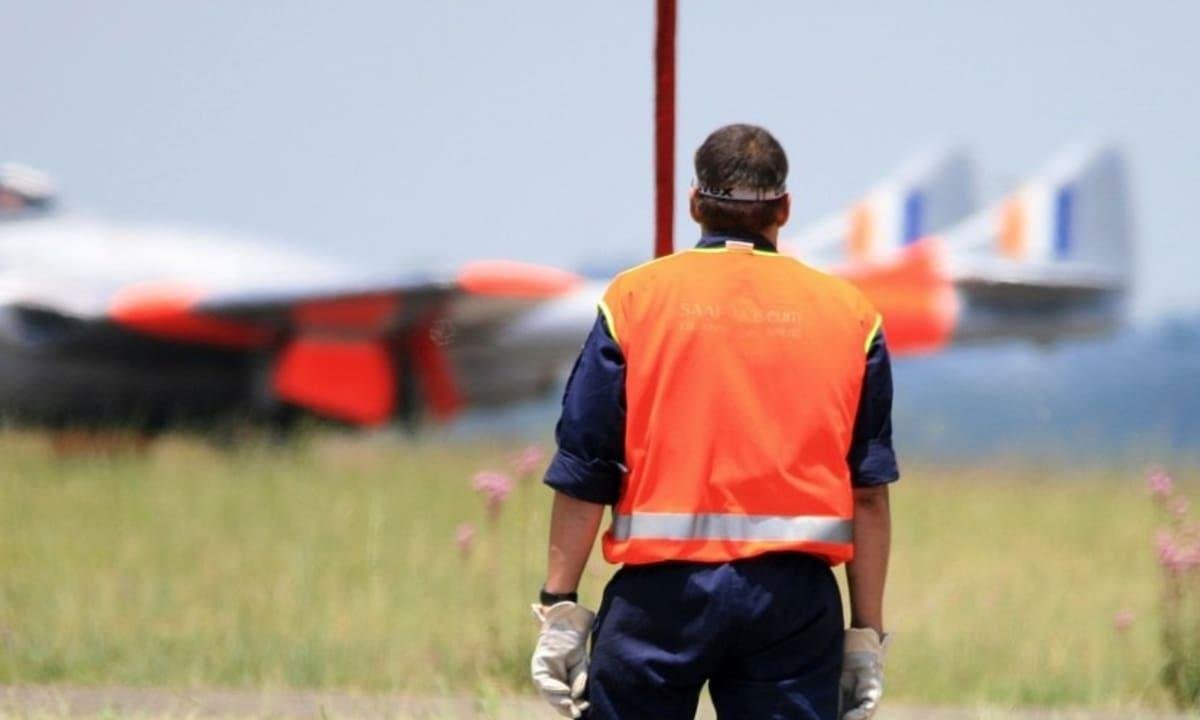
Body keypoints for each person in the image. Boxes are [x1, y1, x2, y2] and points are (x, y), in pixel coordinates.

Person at [529, 124, 898, 720]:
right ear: (784, 208)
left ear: (695, 204)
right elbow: (869, 494)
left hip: (659, 601)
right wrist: (865, 633)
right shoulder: (852, 315)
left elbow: (585, 467)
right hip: (794, 606)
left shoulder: (634, 300)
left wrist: (560, 606)